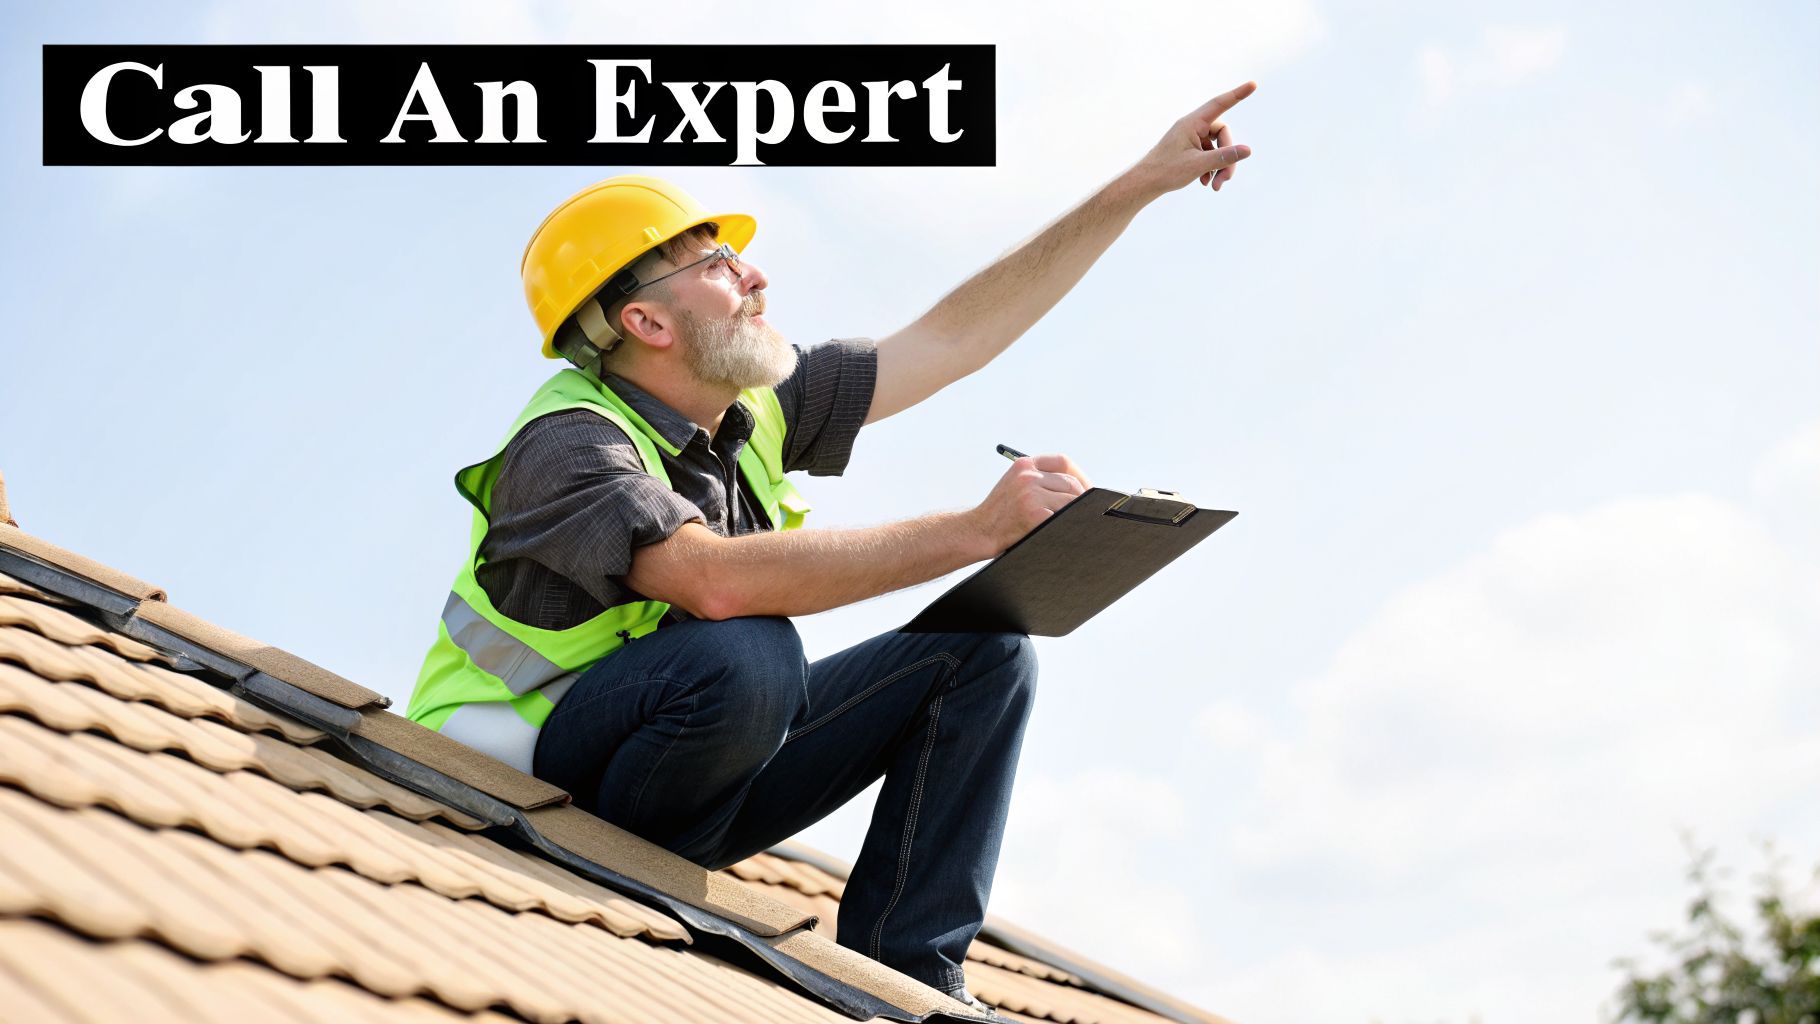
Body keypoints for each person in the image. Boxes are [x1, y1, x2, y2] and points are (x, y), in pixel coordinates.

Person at [407, 81, 1256, 1007]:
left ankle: (915, 978)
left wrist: (1136, 185)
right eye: (721, 265)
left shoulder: (757, 411)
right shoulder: (569, 443)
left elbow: (955, 335)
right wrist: (979, 530)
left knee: (985, 655)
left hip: (695, 772)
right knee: (747, 651)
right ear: (647, 323)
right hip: (526, 785)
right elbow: (711, 584)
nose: (757, 276)